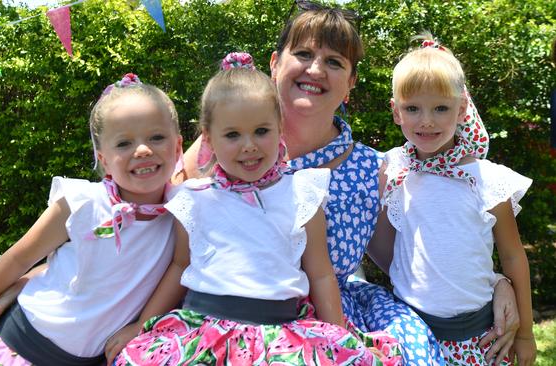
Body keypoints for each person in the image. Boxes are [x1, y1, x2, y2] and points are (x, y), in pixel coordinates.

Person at [179, 5, 520, 366]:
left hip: (336, 321)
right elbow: (161, 234)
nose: (315, 69)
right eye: (304, 54)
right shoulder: (220, 146)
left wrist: (497, 282)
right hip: (226, 320)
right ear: (275, 63)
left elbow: (414, 262)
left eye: (334, 62)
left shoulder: (374, 169)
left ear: (350, 83)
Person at [106, 52, 401, 365]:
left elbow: (321, 274)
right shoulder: (194, 197)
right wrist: (142, 324)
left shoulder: (301, 191)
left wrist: (338, 336)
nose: (249, 145)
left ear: (279, 128)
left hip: (283, 334)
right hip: (203, 334)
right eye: (232, 134)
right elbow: (179, 267)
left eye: (261, 131)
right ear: (209, 139)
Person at [0, 73, 183, 366]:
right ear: (103, 158)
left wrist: (142, 325)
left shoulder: (184, 211)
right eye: (123, 143)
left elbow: (179, 269)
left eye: (156, 137)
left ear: (178, 145)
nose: (143, 150)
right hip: (21, 348)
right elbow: (18, 259)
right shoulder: (82, 202)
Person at [375, 35, 536, 365]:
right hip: (410, 335)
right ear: (396, 112)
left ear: (461, 108)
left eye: (440, 108)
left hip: (479, 338)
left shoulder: (487, 179)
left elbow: (512, 255)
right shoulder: (391, 171)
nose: (427, 121)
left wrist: (525, 334)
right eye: (413, 108)